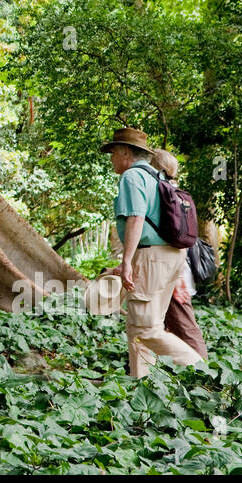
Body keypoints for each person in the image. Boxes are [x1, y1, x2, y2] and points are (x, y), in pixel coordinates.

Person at [99, 127, 202, 378]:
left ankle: (201, 369)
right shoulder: (157, 176)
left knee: (146, 328)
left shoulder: (132, 177)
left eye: (113, 153)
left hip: (152, 255)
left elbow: (136, 218)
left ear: (124, 152)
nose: (111, 159)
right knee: (137, 327)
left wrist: (126, 262)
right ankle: (141, 383)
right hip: (171, 256)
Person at [150, 148, 208, 360]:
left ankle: (203, 373)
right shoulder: (177, 193)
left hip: (174, 272)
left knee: (185, 326)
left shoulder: (164, 194)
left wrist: (178, 278)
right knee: (163, 325)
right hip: (177, 269)